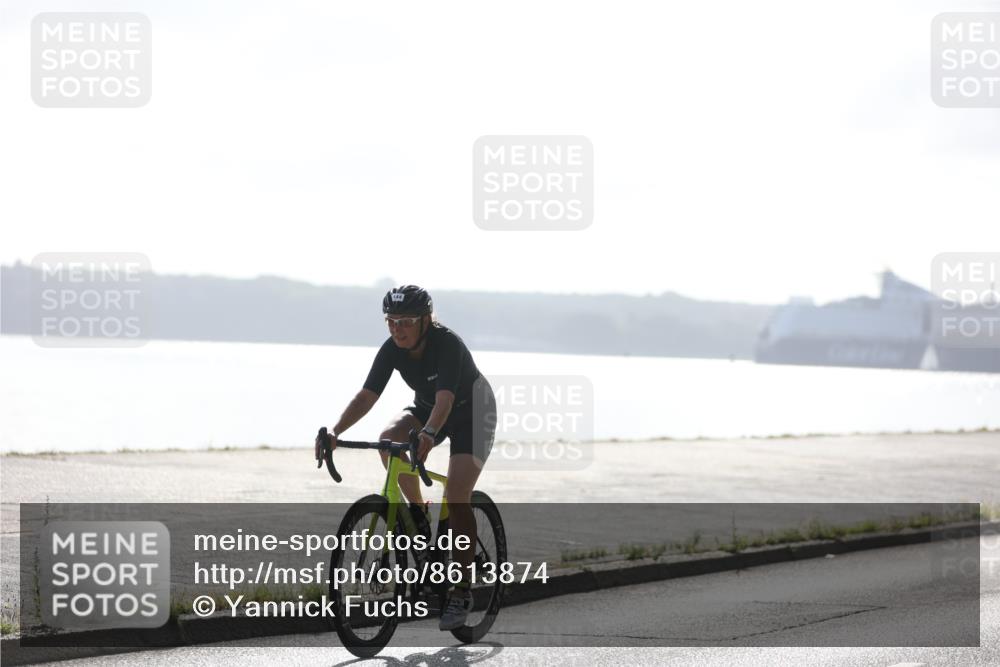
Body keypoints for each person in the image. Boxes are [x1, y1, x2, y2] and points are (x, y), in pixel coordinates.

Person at [321, 284, 496, 631]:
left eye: (406, 321)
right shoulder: (392, 349)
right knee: (389, 440)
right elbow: (367, 395)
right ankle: (418, 512)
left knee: (458, 498)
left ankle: (461, 591)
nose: (397, 328)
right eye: (391, 321)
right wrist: (335, 432)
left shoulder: (447, 345)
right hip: (429, 409)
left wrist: (429, 435)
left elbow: (445, 401)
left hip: (472, 413)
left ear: (426, 321)